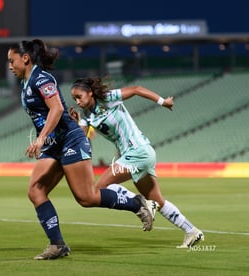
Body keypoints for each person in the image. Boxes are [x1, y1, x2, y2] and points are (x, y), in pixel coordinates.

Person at [7, 39, 159, 260]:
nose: (10, 66)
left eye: (12, 61)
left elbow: (57, 108)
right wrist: (45, 140)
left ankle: (136, 203)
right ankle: (57, 245)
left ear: (25, 58)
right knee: (35, 191)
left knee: (86, 198)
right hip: (53, 145)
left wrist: (40, 139)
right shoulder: (25, 83)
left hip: (70, 139)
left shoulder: (42, 79)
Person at [69, 76, 204, 248]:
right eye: (74, 99)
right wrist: (75, 124)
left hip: (138, 152)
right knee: (157, 200)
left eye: (79, 96)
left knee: (100, 189)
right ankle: (192, 231)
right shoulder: (87, 116)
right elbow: (82, 137)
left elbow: (136, 89)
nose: (77, 101)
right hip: (137, 155)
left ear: (90, 93)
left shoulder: (107, 98)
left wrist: (162, 102)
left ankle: (140, 204)